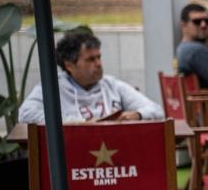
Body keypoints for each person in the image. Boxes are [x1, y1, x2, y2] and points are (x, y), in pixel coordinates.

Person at [19, 28, 163, 123]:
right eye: (90, 59)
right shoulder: (53, 88)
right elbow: (25, 114)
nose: (98, 64)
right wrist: (77, 123)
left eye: (99, 57)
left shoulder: (111, 85)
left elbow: (156, 110)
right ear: (69, 65)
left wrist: (137, 115)